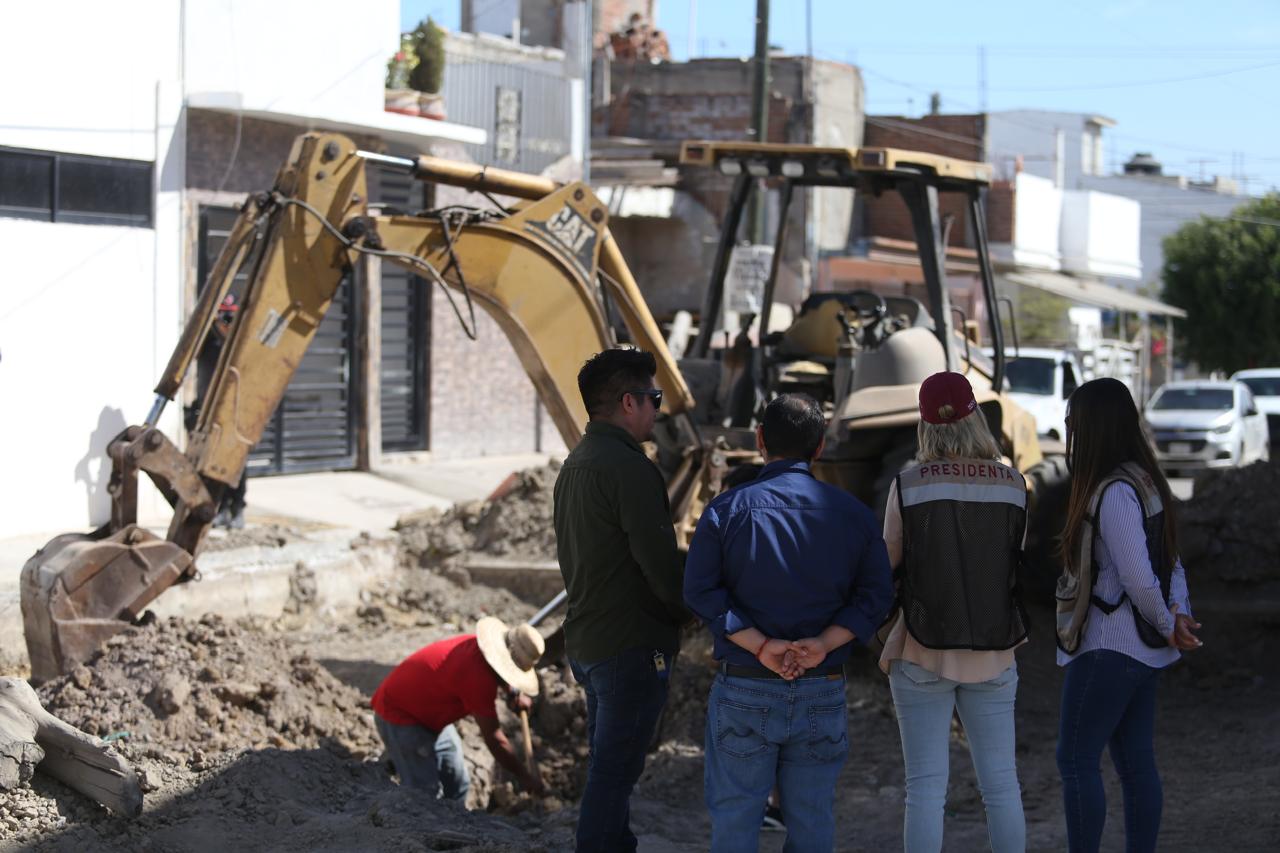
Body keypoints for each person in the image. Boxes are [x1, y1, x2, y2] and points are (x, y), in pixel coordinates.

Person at [684, 393, 894, 853]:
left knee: (735, 821)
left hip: (745, 687)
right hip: (822, 687)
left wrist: (760, 646)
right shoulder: (855, 516)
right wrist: (824, 643)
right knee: (813, 822)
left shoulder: (725, 511)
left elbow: (699, 590)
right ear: (820, 447)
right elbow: (877, 595)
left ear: (759, 439)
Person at [878, 371, 1029, 853]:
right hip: (994, 651)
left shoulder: (907, 485)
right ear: (976, 417)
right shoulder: (1014, 484)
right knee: (1001, 785)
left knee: (924, 790)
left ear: (924, 424)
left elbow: (887, 565)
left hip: (921, 650)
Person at [1054, 377, 1201, 853]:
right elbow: (1171, 560)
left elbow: (1139, 576)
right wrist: (1176, 615)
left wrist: (1170, 622)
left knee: (1075, 759)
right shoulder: (1145, 479)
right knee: (1136, 766)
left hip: (1109, 648)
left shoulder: (1114, 491)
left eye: (1073, 422)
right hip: (1143, 652)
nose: (1069, 430)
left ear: (1094, 426)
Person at [553, 347, 688, 852]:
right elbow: (660, 567)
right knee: (614, 775)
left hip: (590, 643)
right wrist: (693, 611)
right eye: (654, 398)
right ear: (629, 402)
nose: (658, 410)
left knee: (610, 767)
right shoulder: (629, 468)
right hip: (629, 645)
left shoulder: (575, 464)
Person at [370, 617, 547, 802]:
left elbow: (498, 669)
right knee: (424, 796)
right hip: (400, 716)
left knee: (458, 783)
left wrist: (513, 693)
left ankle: (401, 762)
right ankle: (393, 766)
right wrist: (524, 776)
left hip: (429, 713)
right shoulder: (477, 679)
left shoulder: (480, 649)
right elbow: (495, 740)